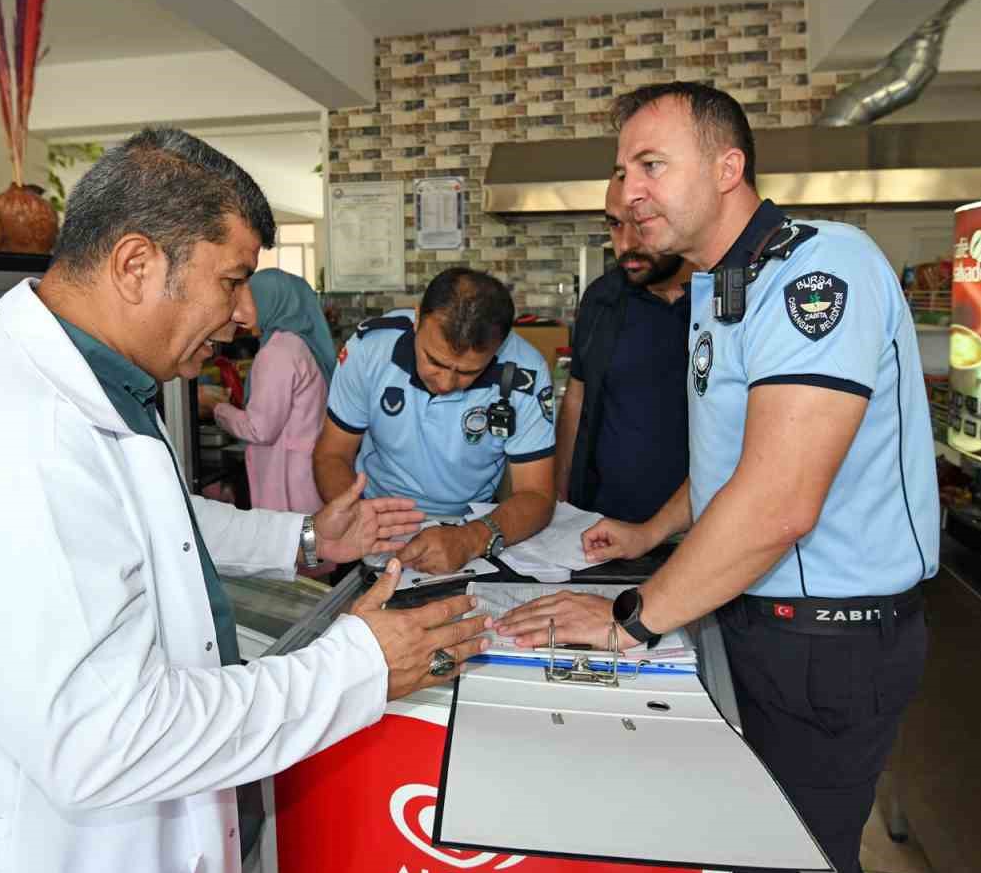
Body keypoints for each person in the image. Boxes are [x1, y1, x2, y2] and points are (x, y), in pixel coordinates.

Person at [0, 128, 491, 873]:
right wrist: (357, 665)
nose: (239, 314)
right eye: (229, 281)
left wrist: (301, 536)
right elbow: (106, 737)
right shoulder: (17, 436)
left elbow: (156, 519)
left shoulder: (101, 385)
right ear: (136, 265)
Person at [498, 82, 939, 873]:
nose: (628, 190)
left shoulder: (820, 267)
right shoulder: (717, 287)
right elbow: (731, 462)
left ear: (729, 167)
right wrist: (646, 534)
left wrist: (631, 620)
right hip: (749, 618)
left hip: (826, 640)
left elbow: (777, 499)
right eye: (623, 167)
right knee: (751, 862)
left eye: (653, 164)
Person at [313, 268, 556, 574]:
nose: (445, 382)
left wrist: (470, 539)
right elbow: (332, 454)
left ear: (501, 346)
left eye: (467, 372)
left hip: (469, 530)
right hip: (375, 521)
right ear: (417, 318)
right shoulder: (370, 349)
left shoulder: (526, 374)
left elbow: (537, 494)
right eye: (434, 361)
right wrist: (356, 516)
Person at [555, 175, 693, 522]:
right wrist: (559, 499)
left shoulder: (729, 301)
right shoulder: (602, 299)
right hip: (606, 526)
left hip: (703, 531)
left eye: (642, 223)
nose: (625, 244)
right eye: (615, 224)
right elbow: (577, 398)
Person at [200, 268, 336, 514]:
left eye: (248, 298)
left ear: (270, 300)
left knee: (291, 547)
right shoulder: (300, 345)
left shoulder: (277, 352)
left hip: (286, 480)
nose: (239, 310)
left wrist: (214, 407)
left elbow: (259, 429)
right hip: (306, 475)